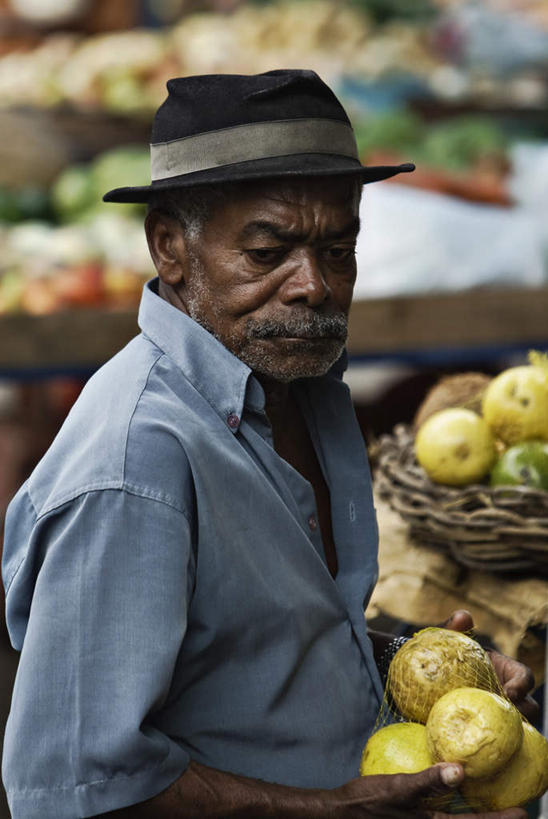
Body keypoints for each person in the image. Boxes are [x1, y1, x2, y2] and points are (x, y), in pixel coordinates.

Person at [1, 70, 537, 819]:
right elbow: (72, 790)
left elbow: (238, 644)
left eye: (339, 250)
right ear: (170, 248)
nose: (313, 284)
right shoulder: (134, 468)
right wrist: (325, 808)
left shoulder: (297, 388)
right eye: (267, 251)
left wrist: (403, 658)